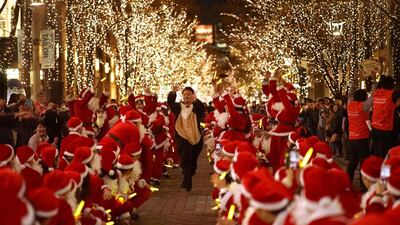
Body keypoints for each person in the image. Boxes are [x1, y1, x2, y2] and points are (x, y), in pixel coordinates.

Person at [167, 84, 205, 192]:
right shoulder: (178, 107)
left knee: (192, 160)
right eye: (184, 94)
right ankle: (187, 180)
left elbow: (201, 109)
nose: (186, 96)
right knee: (185, 156)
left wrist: (196, 100)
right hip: (182, 135)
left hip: (196, 137)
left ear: (193, 96)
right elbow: (170, 103)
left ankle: (189, 173)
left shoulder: (196, 107)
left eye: (189, 94)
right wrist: (173, 92)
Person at [346, 89, 372, 190]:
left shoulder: (350, 105)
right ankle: (363, 186)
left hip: (351, 138)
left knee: (352, 162)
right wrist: (374, 84)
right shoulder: (363, 106)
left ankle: (347, 183)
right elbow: (372, 100)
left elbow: (349, 94)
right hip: (362, 138)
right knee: (363, 163)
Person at [371, 75, 397, 158]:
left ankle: (376, 169)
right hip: (385, 128)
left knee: (377, 151)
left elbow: (377, 85)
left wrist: (375, 79)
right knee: (384, 154)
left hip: (374, 127)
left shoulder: (376, 92)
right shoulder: (392, 94)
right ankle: (383, 170)